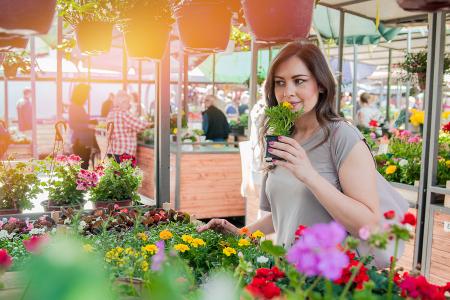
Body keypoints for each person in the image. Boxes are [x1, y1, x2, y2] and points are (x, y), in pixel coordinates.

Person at [198, 41, 380, 248]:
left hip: (328, 275)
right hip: (286, 272)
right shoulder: (281, 135)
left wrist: (310, 176)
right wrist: (241, 233)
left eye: (299, 81)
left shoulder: (343, 137)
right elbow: (285, 213)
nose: (287, 92)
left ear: (320, 84)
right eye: (280, 83)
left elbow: (370, 228)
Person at [107, 90, 151, 162]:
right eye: (128, 102)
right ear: (123, 102)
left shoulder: (111, 113)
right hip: (124, 153)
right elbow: (141, 125)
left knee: (115, 173)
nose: (129, 105)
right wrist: (154, 124)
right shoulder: (125, 114)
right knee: (126, 173)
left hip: (112, 151)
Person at [68, 84, 95, 169]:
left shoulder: (79, 107)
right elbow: (72, 124)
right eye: (86, 94)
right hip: (80, 142)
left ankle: (82, 182)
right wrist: (88, 125)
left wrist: (90, 121)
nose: (87, 97)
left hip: (83, 142)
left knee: (84, 167)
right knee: (82, 168)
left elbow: (80, 120)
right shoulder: (74, 107)